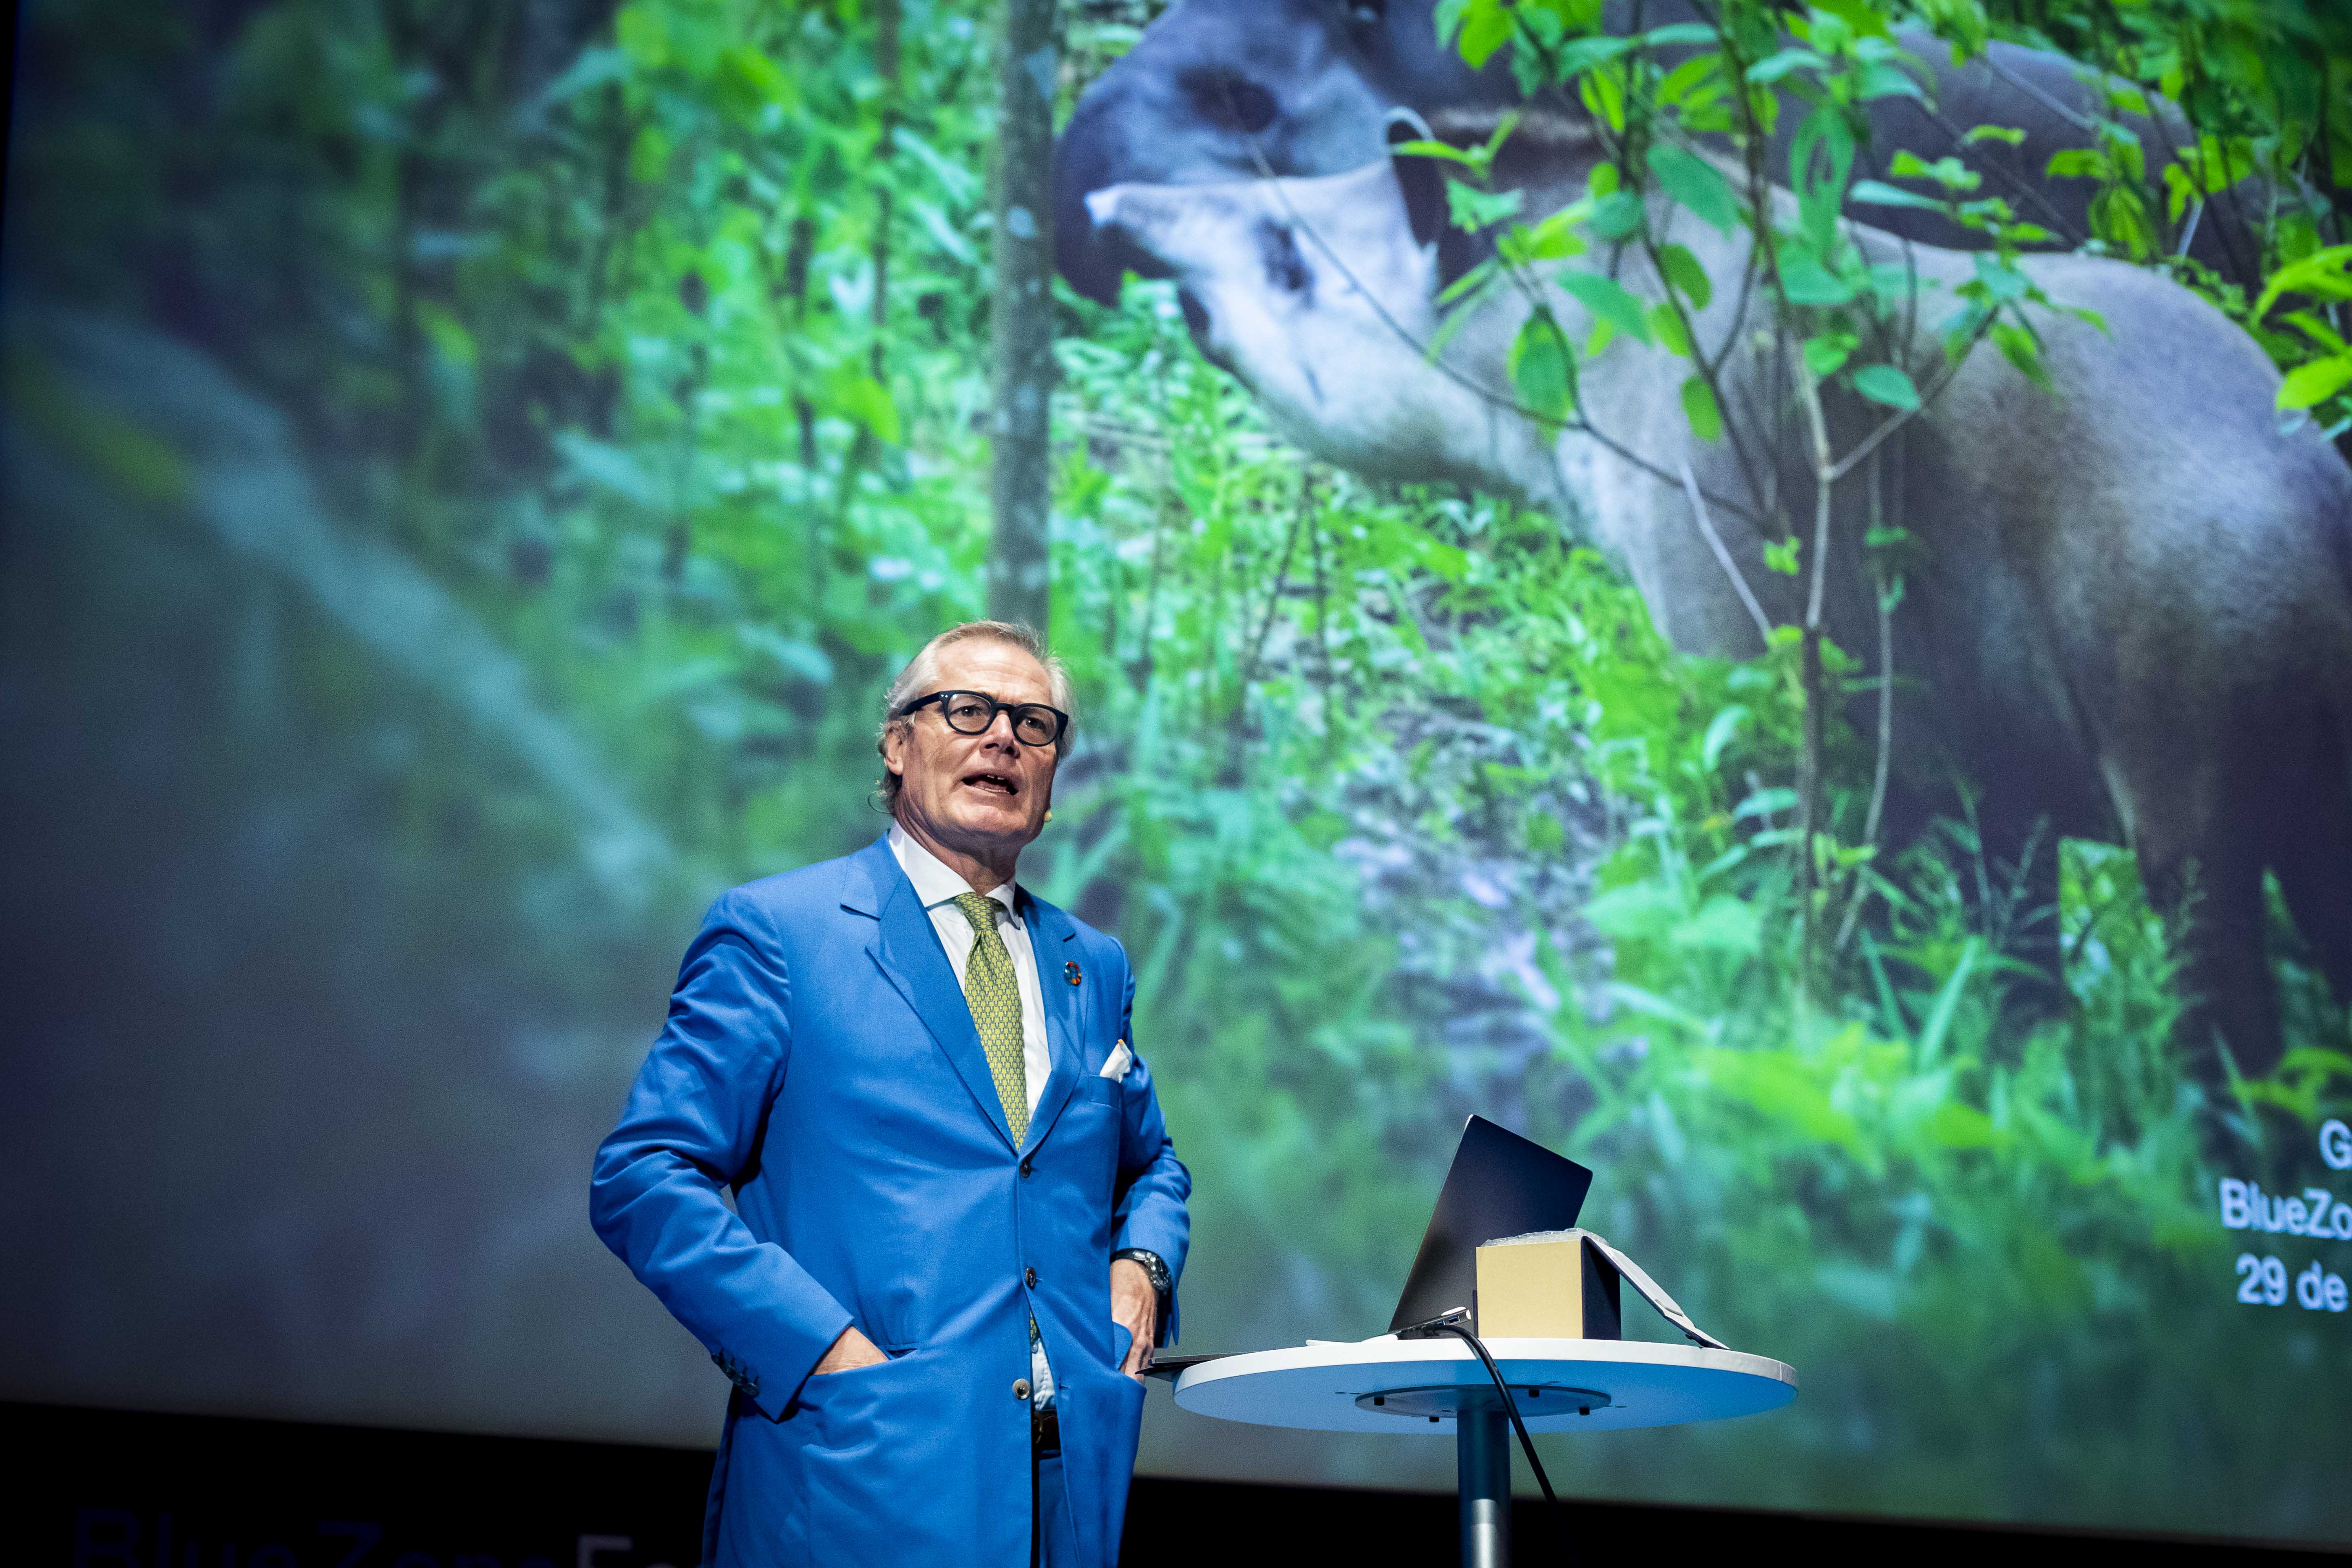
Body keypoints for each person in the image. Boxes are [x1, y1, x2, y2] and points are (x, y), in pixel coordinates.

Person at [591, 620, 1190, 1568]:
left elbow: (1150, 1160)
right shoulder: (779, 933)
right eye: (967, 710)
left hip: (1064, 1486)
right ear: (896, 743)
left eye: (1034, 725)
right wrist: (818, 1350)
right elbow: (642, 1174)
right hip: (859, 1472)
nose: (1003, 738)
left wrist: (1144, 1268)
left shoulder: (1094, 965)